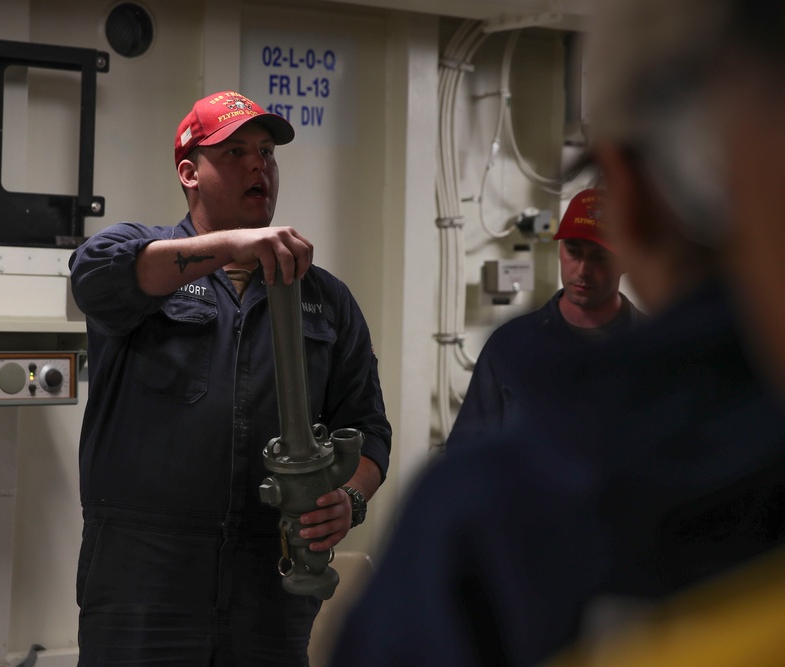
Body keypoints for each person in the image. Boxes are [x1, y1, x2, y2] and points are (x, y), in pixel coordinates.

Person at [329, 0, 785, 665]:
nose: (582, 266)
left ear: (630, 197)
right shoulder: (515, 353)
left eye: (595, 252)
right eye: (572, 250)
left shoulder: (484, 531)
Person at [68, 90, 391, 666]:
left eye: (266, 151)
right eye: (236, 151)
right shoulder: (139, 255)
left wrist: (349, 499)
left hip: (270, 580)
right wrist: (227, 246)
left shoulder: (325, 300)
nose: (258, 164)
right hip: (143, 575)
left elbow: (366, 429)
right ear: (189, 173)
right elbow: (93, 278)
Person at [446, 188, 643, 445]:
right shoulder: (511, 345)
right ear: (560, 249)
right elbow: (466, 452)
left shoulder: (655, 347)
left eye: (599, 257)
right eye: (574, 251)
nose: (583, 270)